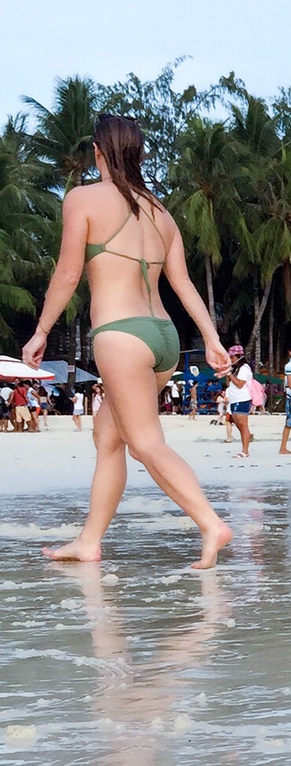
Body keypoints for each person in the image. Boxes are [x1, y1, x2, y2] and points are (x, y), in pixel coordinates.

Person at [22, 114, 232, 567]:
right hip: (164, 339)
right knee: (107, 434)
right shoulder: (161, 212)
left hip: (120, 335)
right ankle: (89, 540)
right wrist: (211, 337)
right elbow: (183, 283)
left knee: (144, 442)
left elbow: (67, 272)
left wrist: (41, 330)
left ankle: (211, 524)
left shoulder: (83, 198)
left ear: (97, 151)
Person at [225, 346, 254, 458]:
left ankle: (245, 450)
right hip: (234, 399)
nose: (231, 359)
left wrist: (229, 374)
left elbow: (239, 384)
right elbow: (229, 383)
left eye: (232, 357)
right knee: (238, 424)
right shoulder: (236, 368)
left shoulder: (244, 369)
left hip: (242, 399)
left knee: (243, 425)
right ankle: (245, 446)